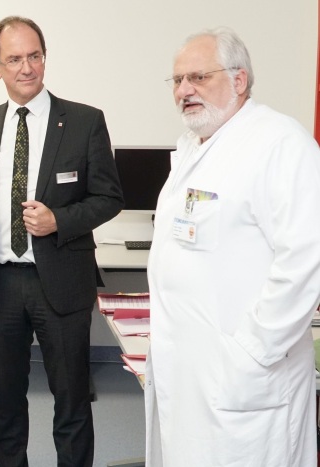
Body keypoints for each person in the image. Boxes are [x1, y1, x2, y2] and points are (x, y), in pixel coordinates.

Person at [0, 16, 123, 466]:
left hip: (62, 283)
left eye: (34, 56)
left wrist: (59, 220)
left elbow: (109, 197)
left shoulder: (85, 121)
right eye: (14, 59)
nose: (27, 67)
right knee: (6, 406)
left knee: (70, 403)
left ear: (44, 58)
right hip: (1, 287)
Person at [146, 27, 320, 466]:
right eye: (178, 80)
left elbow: (307, 258)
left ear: (239, 80)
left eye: (199, 77)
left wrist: (253, 350)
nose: (185, 90)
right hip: (189, 370)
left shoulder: (280, 143)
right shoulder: (193, 146)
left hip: (245, 372)